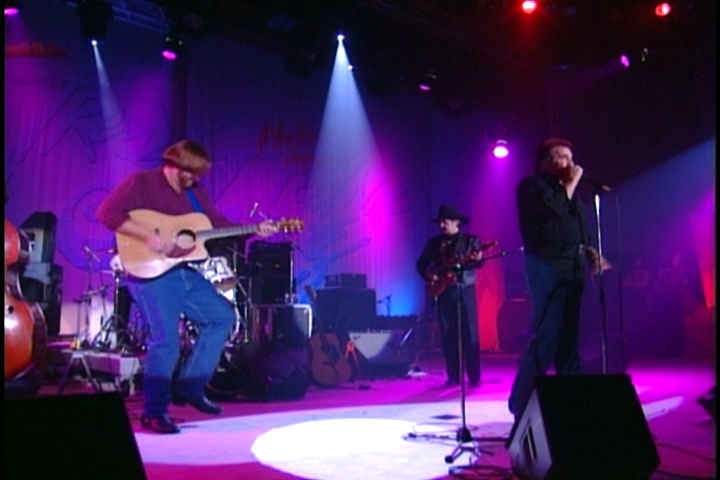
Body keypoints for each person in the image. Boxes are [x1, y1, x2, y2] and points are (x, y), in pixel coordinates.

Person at [96, 139, 277, 434]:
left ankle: (191, 387)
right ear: (176, 166)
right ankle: (154, 413)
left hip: (181, 271)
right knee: (165, 341)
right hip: (149, 273)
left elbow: (216, 225)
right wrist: (150, 238)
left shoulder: (195, 193)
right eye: (191, 173)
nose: (196, 179)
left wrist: (255, 230)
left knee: (221, 317)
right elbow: (107, 214)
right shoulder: (141, 183)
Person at [507, 138, 608, 436]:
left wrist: (591, 250)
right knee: (546, 336)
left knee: (570, 341)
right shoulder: (531, 187)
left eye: (571, 156)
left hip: (573, 267)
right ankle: (520, 404)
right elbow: (552, 212)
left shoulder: (571, 193)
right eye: (562, 157)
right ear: (545, 162)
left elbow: (577, 224)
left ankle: (572, 408)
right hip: (545, 266)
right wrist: (573, 182)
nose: (570, 162)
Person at [417, 205, 484, 388]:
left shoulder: (471, 241)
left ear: (457, 222)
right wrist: (430, 276)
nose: (442, 225)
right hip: (445, 292)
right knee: (448, 335)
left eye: (445, 221)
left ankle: (475, 377)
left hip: (465, 290)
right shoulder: (434, 243)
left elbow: (478, 263)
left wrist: (476, 260)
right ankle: (453, 376)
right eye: (440, 221)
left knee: (470, 334)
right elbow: (421, 264)